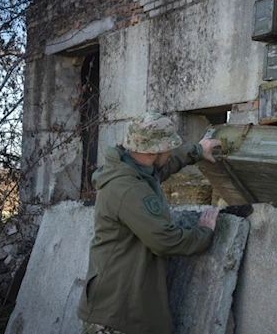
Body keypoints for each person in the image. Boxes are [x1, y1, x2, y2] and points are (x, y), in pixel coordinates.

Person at [77, 112, 222, 334]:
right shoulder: (129, 188)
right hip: (116, 315)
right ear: (155, 151)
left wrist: (198, 150)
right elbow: (165, 240)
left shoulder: (130, 169)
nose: (171, 151)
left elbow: (163, 166)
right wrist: (203, 233)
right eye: (168, 147)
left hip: (117, 303)